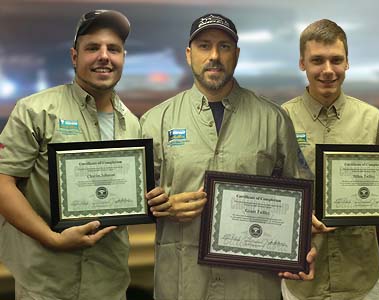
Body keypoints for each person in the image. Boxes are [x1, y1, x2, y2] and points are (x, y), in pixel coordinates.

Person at [141, 13, 315, 300]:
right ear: (188, 54)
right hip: (182, 283)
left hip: (251, 285)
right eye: (204, 46)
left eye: (224, 47)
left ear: (236, 54)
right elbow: (137, 201)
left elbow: (299, 197)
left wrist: (303, 247)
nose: (214, 56)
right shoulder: (155, 121)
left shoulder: (273, 119)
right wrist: (163, 206)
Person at [0, 9, 167, 300]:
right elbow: (3, 184)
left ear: (123, 58)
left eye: (113, 49)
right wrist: (53, 239)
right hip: (47, 283)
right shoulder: (36, 111)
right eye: (93, 48)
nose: (104, 56)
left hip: (109, 281)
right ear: (75, 57)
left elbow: (135, 197)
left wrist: (155, 199)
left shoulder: (133, 124)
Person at [281, 19, 379, 300]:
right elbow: (270, 188)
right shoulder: (281, 120)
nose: (328, 70)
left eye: (336, 60)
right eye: (317, 60)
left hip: (361, 275)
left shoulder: (371, 119)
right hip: (303, 274)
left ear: (347, 63)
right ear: (302, 63)